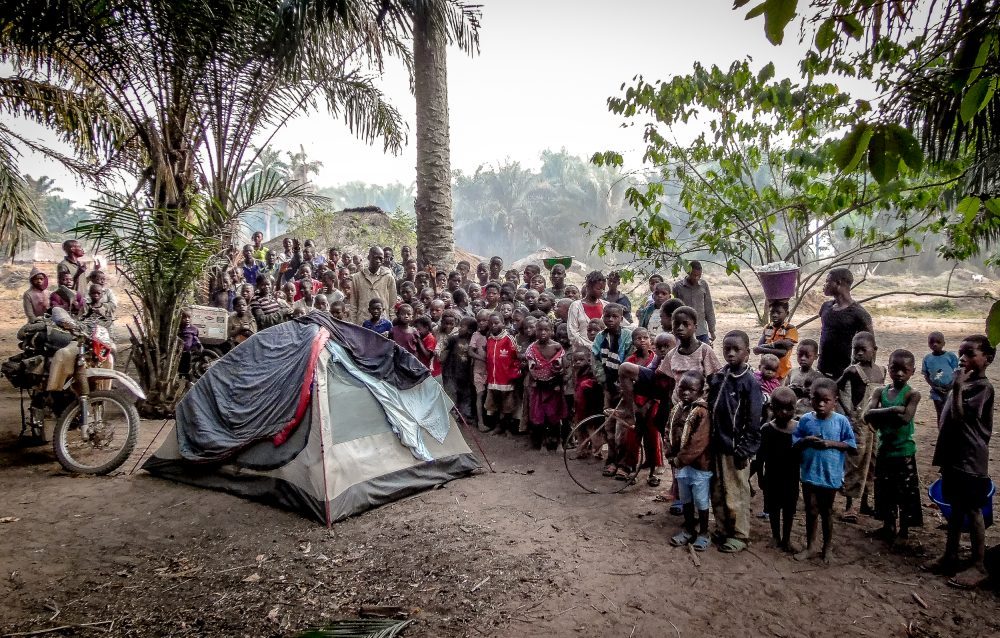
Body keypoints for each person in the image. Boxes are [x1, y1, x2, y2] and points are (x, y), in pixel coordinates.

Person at [926, 335, 995, 588]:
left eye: (970, 354)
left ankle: (979, 564)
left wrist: (955, 387)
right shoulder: (964, 384)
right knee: (955, 506)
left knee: (973, 509)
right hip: (954, 456)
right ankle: (950, 555)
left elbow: (960, 417)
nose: (964, 359)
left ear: (987, 359)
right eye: (961, 353)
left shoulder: (983, 387)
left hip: (970, 459)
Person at [707, 330, 763, 553]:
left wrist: (745, 449)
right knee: (718, 490)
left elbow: (753, 421)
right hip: (717, 445)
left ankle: (739, 534)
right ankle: (722, 528)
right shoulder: (720, 377)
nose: (730, 354)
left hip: (736, 450)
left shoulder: (749, 383)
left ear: (747, 353)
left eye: (736, 350)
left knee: (737, 491)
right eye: (726, 349)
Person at [793, 378, 857, 563]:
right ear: (810, 399)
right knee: (811, 511)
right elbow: (795, 443)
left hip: (830, 475)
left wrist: (830, 443)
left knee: (826, 511)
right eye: (816, 399)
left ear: (835, 401)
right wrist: (805, 440)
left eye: (826, 400)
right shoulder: (805, 420)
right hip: (809, 474)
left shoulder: (841, 421)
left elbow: (851, 445)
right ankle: (811, 546)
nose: (821, 404)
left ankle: (827, 548)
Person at [864, 349, 923, 545]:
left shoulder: (913, 394)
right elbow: (866, 414)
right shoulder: (880, 391)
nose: (898, 373)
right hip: (885, 450)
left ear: (912, 371)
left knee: (905, 492)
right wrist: (894, 409)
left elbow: (906, 418)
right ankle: (888, 526)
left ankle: (904, 532)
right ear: (888, 368)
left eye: (904, 370)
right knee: (884, 490)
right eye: (894, 369)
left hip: (904, 451)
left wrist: (879, 413)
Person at [837, 331, 885, 522]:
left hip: (876, 422)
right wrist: (849, 412)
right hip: (858, 422)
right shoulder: (852, 371)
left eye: (862, 350)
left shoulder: (881, 370)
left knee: (873, 460)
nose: (857, 353)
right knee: (855, 462)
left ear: (874, 350)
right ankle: (850, 506)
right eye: (854, 349)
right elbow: (837, 388)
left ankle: (866, 502)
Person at [666, 370, 713, 552]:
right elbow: (668, 431)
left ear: (700, 392)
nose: (685, 393)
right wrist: (670, 454)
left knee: (701, 500)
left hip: (698, 465)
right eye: (682, 388)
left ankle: (703, 532)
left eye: (691, 390)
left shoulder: (702, 412)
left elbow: (698, 441)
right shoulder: (677, 409)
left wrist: (680, 459)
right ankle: (688, 528)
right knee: (685, 497)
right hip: (680, 464)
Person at [592, 303, 633, 479]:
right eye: (607, 316)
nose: (610, 320)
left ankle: (625, 464)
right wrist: (604, 381)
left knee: (622, 428)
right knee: (609, 425)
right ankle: (612, 460)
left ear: (621, 317)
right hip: (608, 387)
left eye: (614, 317)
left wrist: (624, 385)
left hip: (625, 390)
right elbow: (596, 360)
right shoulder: (601, 337)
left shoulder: (628, 337)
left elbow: (632, 361)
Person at [758, 387, 800, 551]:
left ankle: (787, 539)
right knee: (774, 508)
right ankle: (776, 536)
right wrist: (761, 477)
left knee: (789, 509)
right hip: (772, 476)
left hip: (792, 477)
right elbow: (760, 456)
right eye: (780, 408)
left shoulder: (798, 428)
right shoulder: (767, 429)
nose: (784, 412)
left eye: (789, 408)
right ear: (772, 408)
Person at [622, 328, 663, 486]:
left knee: (652, 437)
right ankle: (632, 469)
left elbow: (658, 383)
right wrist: (631, 405)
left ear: (650, 341)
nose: (642, 341)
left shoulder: (656, 359)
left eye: (645, 337)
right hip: (635, 404)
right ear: (633, 342)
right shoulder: (630, 361)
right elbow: (625, 385)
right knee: (632, 437)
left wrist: (651, 402)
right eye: (638, 338)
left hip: (652, 404)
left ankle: (653, 472)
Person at [818, 267, 873, 379]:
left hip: (845, 373)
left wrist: (866, 374)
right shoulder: (826, 307)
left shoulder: (859, 313)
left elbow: (871, 346)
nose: (825, 285)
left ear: (838, 283)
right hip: (822, 369)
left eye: (828, 281)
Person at [525, 317, 568, 452]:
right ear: (536, 331)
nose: (543, 332)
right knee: (541, 414)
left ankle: (559, 442)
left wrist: (557, 380)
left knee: (556, 413)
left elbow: (562, 366)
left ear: (552, 331)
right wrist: (537, 378)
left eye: (546, 329)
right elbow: (531, 367)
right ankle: (543, 442)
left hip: (555, 386)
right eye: (540, 329)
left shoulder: (557, 347)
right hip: (539, 386)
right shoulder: (532, 348)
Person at [485, 312, 521, 435]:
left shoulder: (509, 339)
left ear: (503, 324)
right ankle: (498, 427)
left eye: (496, 323)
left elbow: (516, 358)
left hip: (506, 379)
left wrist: (513, 375)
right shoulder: (489, 339)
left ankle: (507, 428)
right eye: (491, 323)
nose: (493, 325)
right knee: (495, 404)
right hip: (493, 379)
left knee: (508, 405)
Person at [442, 316, 477, 424]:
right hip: (451, 372)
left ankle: (465, 415)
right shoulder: (453, 339)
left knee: (465, 395)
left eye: (462, 326)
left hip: (465, 374)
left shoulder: (473, 341)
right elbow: (445, 354)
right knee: (452, 394)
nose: (459, 328)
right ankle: (452, 417)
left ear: (470, 330)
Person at [753, 299, 798, 381]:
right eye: (772, 312)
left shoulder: (790, 329)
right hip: (765, 371)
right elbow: (758, 348)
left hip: (781, 372)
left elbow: (783, 353)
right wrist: (778, 344)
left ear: (787, 314)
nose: (774, 315)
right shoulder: (768, 327)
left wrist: (764, 348)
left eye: (778, 312)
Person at [671, 261, 716, 344]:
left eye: (699, 275)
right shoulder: (678, 287)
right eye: (694, 275)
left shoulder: (704, 285)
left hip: (701, 330)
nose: (696, 278)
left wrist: (712, 330)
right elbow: (674, 309)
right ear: (688, 272)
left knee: (704, 353)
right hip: (684, 330)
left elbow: (708, 307)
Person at [350, 246, 397, 324]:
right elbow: (353, 304)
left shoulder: (388, 277)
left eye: (381, 258)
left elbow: (392, 304)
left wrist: (392, 322)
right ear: (369, 257)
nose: (378, 261)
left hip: (382, 322)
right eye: (375, 258)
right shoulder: (357, 277)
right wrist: (353, 322)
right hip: (362, 321)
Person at [922, 331, 959, 427]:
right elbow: (926, 375)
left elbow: (957, 372)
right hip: (936, 390)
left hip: (951, 389)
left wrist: (951, 385)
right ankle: (941, 434)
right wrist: (934, 386)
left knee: (950, 413)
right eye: (931, 342)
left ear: (944, 343)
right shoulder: (927, 358)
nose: (935, 344)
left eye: (938, 342)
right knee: (940, 413)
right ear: (928, 344)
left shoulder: (950, 356)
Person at [567, 271, 607, 349]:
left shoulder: (606, 306)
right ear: (588, 287)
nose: (602, 292)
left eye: (603, 289)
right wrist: (591, 346)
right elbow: (572, 333)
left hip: (603, 353)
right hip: (581, 353)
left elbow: (622, 325)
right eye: (598, 288)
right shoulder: (576, 306)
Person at [784, 339, 822, 417]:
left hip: (809, 414)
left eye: (807, 356)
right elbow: (784, 391)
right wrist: (790, 389)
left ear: (816, 357)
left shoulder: (818, 377)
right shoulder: (792, 372)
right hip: (792, 413)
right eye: (800, 355)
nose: (803, 358)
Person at [469, 310, 491, 432]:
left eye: (485, 320)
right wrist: (483, 358)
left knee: (491, 395)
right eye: (479, 321)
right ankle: (480, 422)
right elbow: (470, 351)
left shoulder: (493, 335)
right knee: (480, 395)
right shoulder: (476, 335)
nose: (481, 323)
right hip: (479, 370)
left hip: (492, 370)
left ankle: (491, 421)